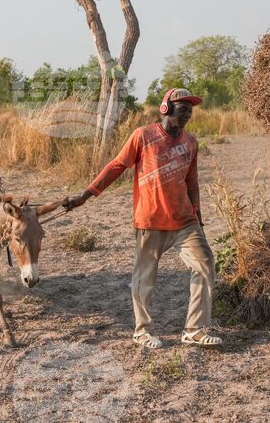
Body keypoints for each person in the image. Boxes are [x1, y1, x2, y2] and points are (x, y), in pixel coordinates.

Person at [63, 88, 222, 349]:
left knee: (205, 264)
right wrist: (86, 195)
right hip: (150, 221)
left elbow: (191, 182)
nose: (188, 114)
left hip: (185, 221)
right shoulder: (143, 136)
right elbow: (116, 166)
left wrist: (199, 218)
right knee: (144, 278)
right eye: (183, 109)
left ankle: (194, 329)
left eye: (190, 110)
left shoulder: (191, 142)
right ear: (166, 108)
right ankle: (143, 331)